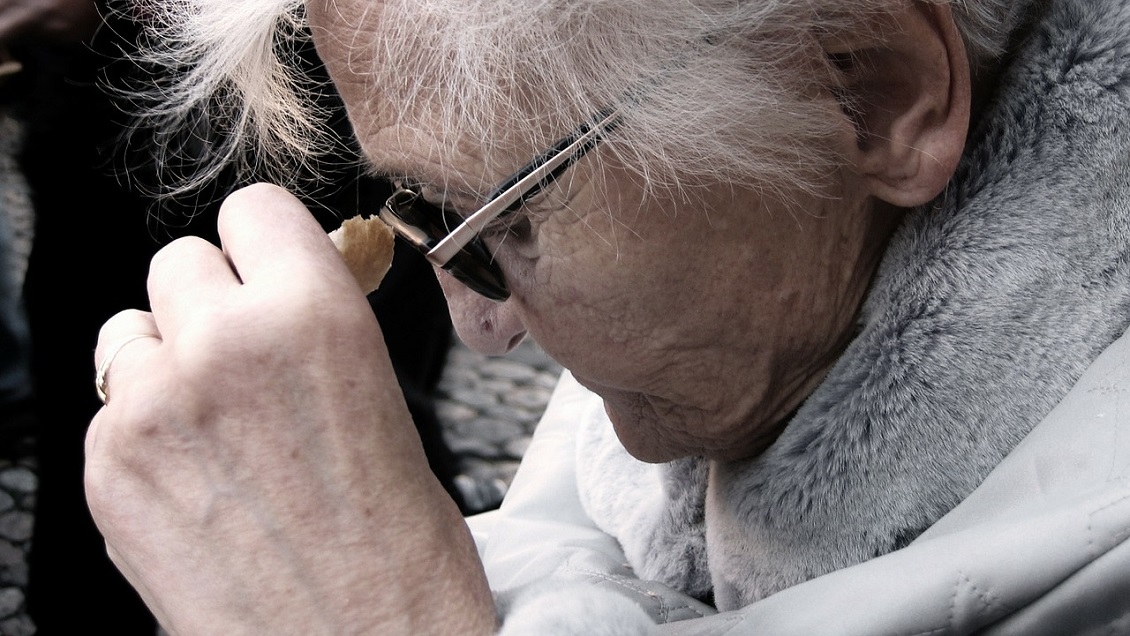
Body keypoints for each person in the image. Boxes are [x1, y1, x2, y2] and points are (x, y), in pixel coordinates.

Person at [82, 0, 1130, 633]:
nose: (480, 330)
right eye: (427, 214)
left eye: (501, 222)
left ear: (868, 94)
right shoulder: (749, 312)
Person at [9, 1, 465, 633]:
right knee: (93, 389)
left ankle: (418, 572)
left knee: (363, 383)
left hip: (345, 73)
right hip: (112, 86)